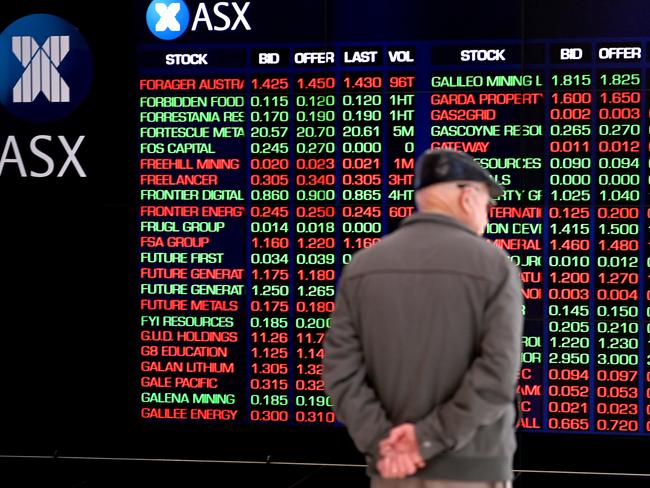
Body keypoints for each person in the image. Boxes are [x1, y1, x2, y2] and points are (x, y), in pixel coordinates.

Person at [322, 148, 524, 488]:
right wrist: (424, 440)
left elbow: (340, 370)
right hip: (473, 470)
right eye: (488, 204)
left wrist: (383, 442)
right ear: (467, 197)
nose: (487, 215)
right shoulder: (494, 266)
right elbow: (498, 373)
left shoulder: (362, 266)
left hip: (392, 468)